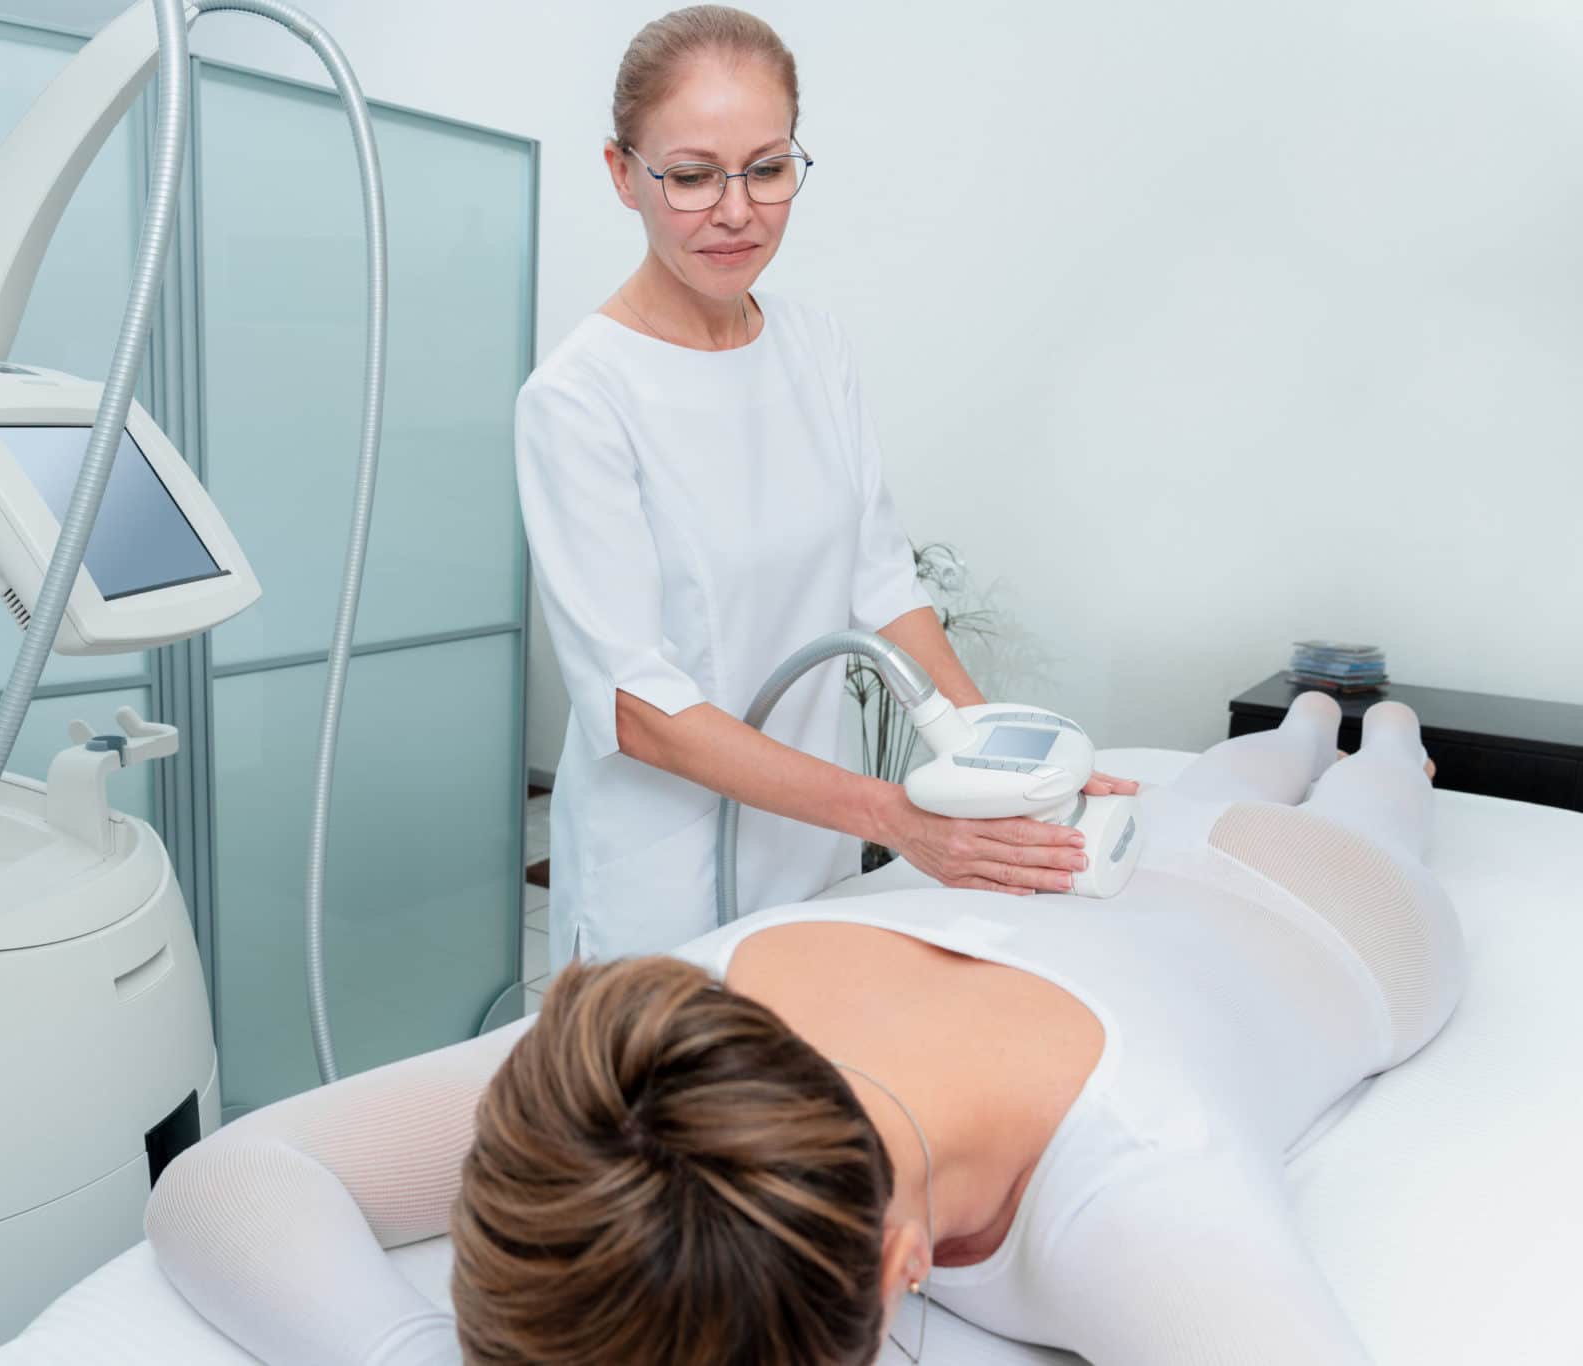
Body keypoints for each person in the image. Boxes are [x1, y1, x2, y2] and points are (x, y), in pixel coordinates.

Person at [146, 695, 1458, 1365]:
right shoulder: (672, 1059)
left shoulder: (1142, 1198)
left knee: (1370, 791)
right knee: (1215, 771)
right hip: (1071, 878)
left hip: (1323, 915)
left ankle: (1379, 724)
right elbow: (233, 1177)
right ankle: (1298, 720)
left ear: (898, 1266)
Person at [517, 6, 1136, 969]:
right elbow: (637, 705)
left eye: (766, 169)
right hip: (661, 869)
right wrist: (897, 814)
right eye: (689, 176)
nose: (735, 211)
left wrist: (1009, 774)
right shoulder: (580, 397)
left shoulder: (815, 347)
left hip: (811, 842)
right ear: (621, 174)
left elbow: (881, 582)